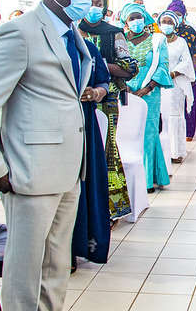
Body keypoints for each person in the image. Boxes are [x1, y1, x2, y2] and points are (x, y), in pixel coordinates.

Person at [0, 0, 93, 311]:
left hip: (68, 171)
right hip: (28, 173)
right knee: (25, 270)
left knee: (56, 266)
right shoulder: (20, 32)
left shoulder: (72, 33)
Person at [78, 0, 136, 221]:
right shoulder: (72, 30)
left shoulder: (114, 33)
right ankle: (82, 208)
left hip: (107, 100)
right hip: (76, 101)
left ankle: (109, 209)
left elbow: (130, 67)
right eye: (90, 2)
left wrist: (99, 64)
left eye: (99, 3)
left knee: (106, 151)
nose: (94, 7)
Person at [123, 3, 173, 193]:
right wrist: (125, 87)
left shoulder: (157, 41)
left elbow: (162, 66)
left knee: (148, 133)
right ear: (126, 22)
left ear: (145, 19)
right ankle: (130, 177)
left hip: (150, 94)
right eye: (132, 18)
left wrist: (148, 87)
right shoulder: (120, 39)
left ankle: (147, 179)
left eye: (139, 17)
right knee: (128, 134)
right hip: (125, 92)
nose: (136, 21)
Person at [71, 38, 111, 272]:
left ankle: (78, 247)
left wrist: (96, 92)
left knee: (84, 185)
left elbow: (104, 82)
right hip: (52, 131)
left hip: (85, 124)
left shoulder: (86, 47)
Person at [159, 11, 196, 163]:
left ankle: (176, 152)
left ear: (175, 25)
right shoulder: (157, 40)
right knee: (161, 116)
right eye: (164, 21)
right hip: (159, 84)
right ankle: (162, 151)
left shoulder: (181, 42)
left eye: (169, 22)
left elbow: (187, 61)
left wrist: (174, 72)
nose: (166, 25)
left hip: (175, 84)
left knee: (175, 116)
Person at [167, 0, 196, 141]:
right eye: (173, 13)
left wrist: (192, 73)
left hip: (186, 72)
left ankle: (189, 132)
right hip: (167, 74)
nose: (176, 16)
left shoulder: (189, 31)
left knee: (189, 102)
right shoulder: (163, 33)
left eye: (179, 14)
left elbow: (195, 54)